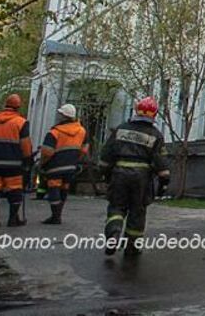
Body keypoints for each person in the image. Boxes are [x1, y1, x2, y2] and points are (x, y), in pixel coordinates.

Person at [98, 97, 169, 256]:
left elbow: (106, 154)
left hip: (119, 174)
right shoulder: (155, 135)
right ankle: (132, 246)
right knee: (137, 211)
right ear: (154, 114)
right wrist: (164, 183)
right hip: (142, 179)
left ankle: (114, 233)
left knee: (116, 207)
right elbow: (161, 162)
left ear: (136, 111)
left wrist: (105, 174)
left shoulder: (121, 129)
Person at [0, 94, 33, 228]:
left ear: (5, 105)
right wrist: (28, 160)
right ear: (18, 107)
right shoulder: (21, 122)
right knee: (15, 190)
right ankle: (13, 219)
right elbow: (25, 144)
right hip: (13, 165)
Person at [38, 104, 88, 225]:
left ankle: (55, 216)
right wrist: (75, 159)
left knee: (54, 189)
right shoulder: (81, 131)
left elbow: (47, 152)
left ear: (63, 116)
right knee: (64, 189)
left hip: (55, 166)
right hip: (71, 166)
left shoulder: (55, 132)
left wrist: (42, 163)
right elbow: (84, 149)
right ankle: (58, 214)